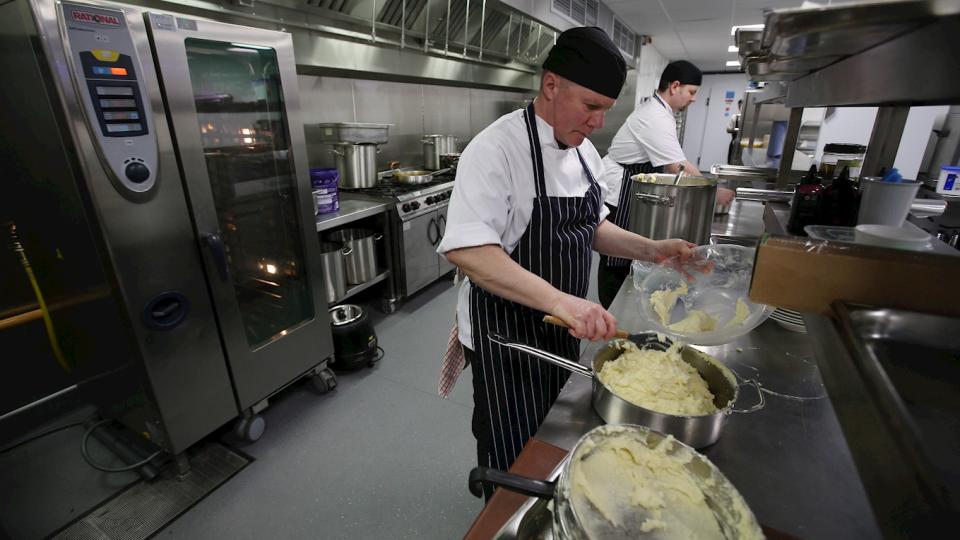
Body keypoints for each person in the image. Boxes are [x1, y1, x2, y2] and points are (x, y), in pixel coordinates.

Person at [435, 27, 694, 500]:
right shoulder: (496, 150)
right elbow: (469, 251)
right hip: (506, 334)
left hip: (561, 326)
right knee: (511, 445)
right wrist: (563, 302)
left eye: (605, 110)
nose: (598, 121)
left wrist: (653, 249)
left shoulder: (584, 151)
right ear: (551, 86)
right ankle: (502, 514)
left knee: (549, 432)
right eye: (590, 106)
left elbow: (591, 226)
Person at [595, 60, 735, 308]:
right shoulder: (654, 116)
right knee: (617, 257)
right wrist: (712, 191)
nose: (693, 99)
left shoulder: (662, 113)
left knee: (629, 252)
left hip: (632, 189)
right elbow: (676, 166)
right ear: (675, 86)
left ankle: (623, 302)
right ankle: (613, 308)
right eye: (691, 92)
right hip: (621, 191)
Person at [727, 99, 743, 163]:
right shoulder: (734, 117)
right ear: (739, 107)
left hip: (745, 145)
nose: (741, 107)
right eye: (740, 106)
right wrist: (737, 130)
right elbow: (728, 129)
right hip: (735, 142)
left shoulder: (750, 117)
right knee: (732, 161)